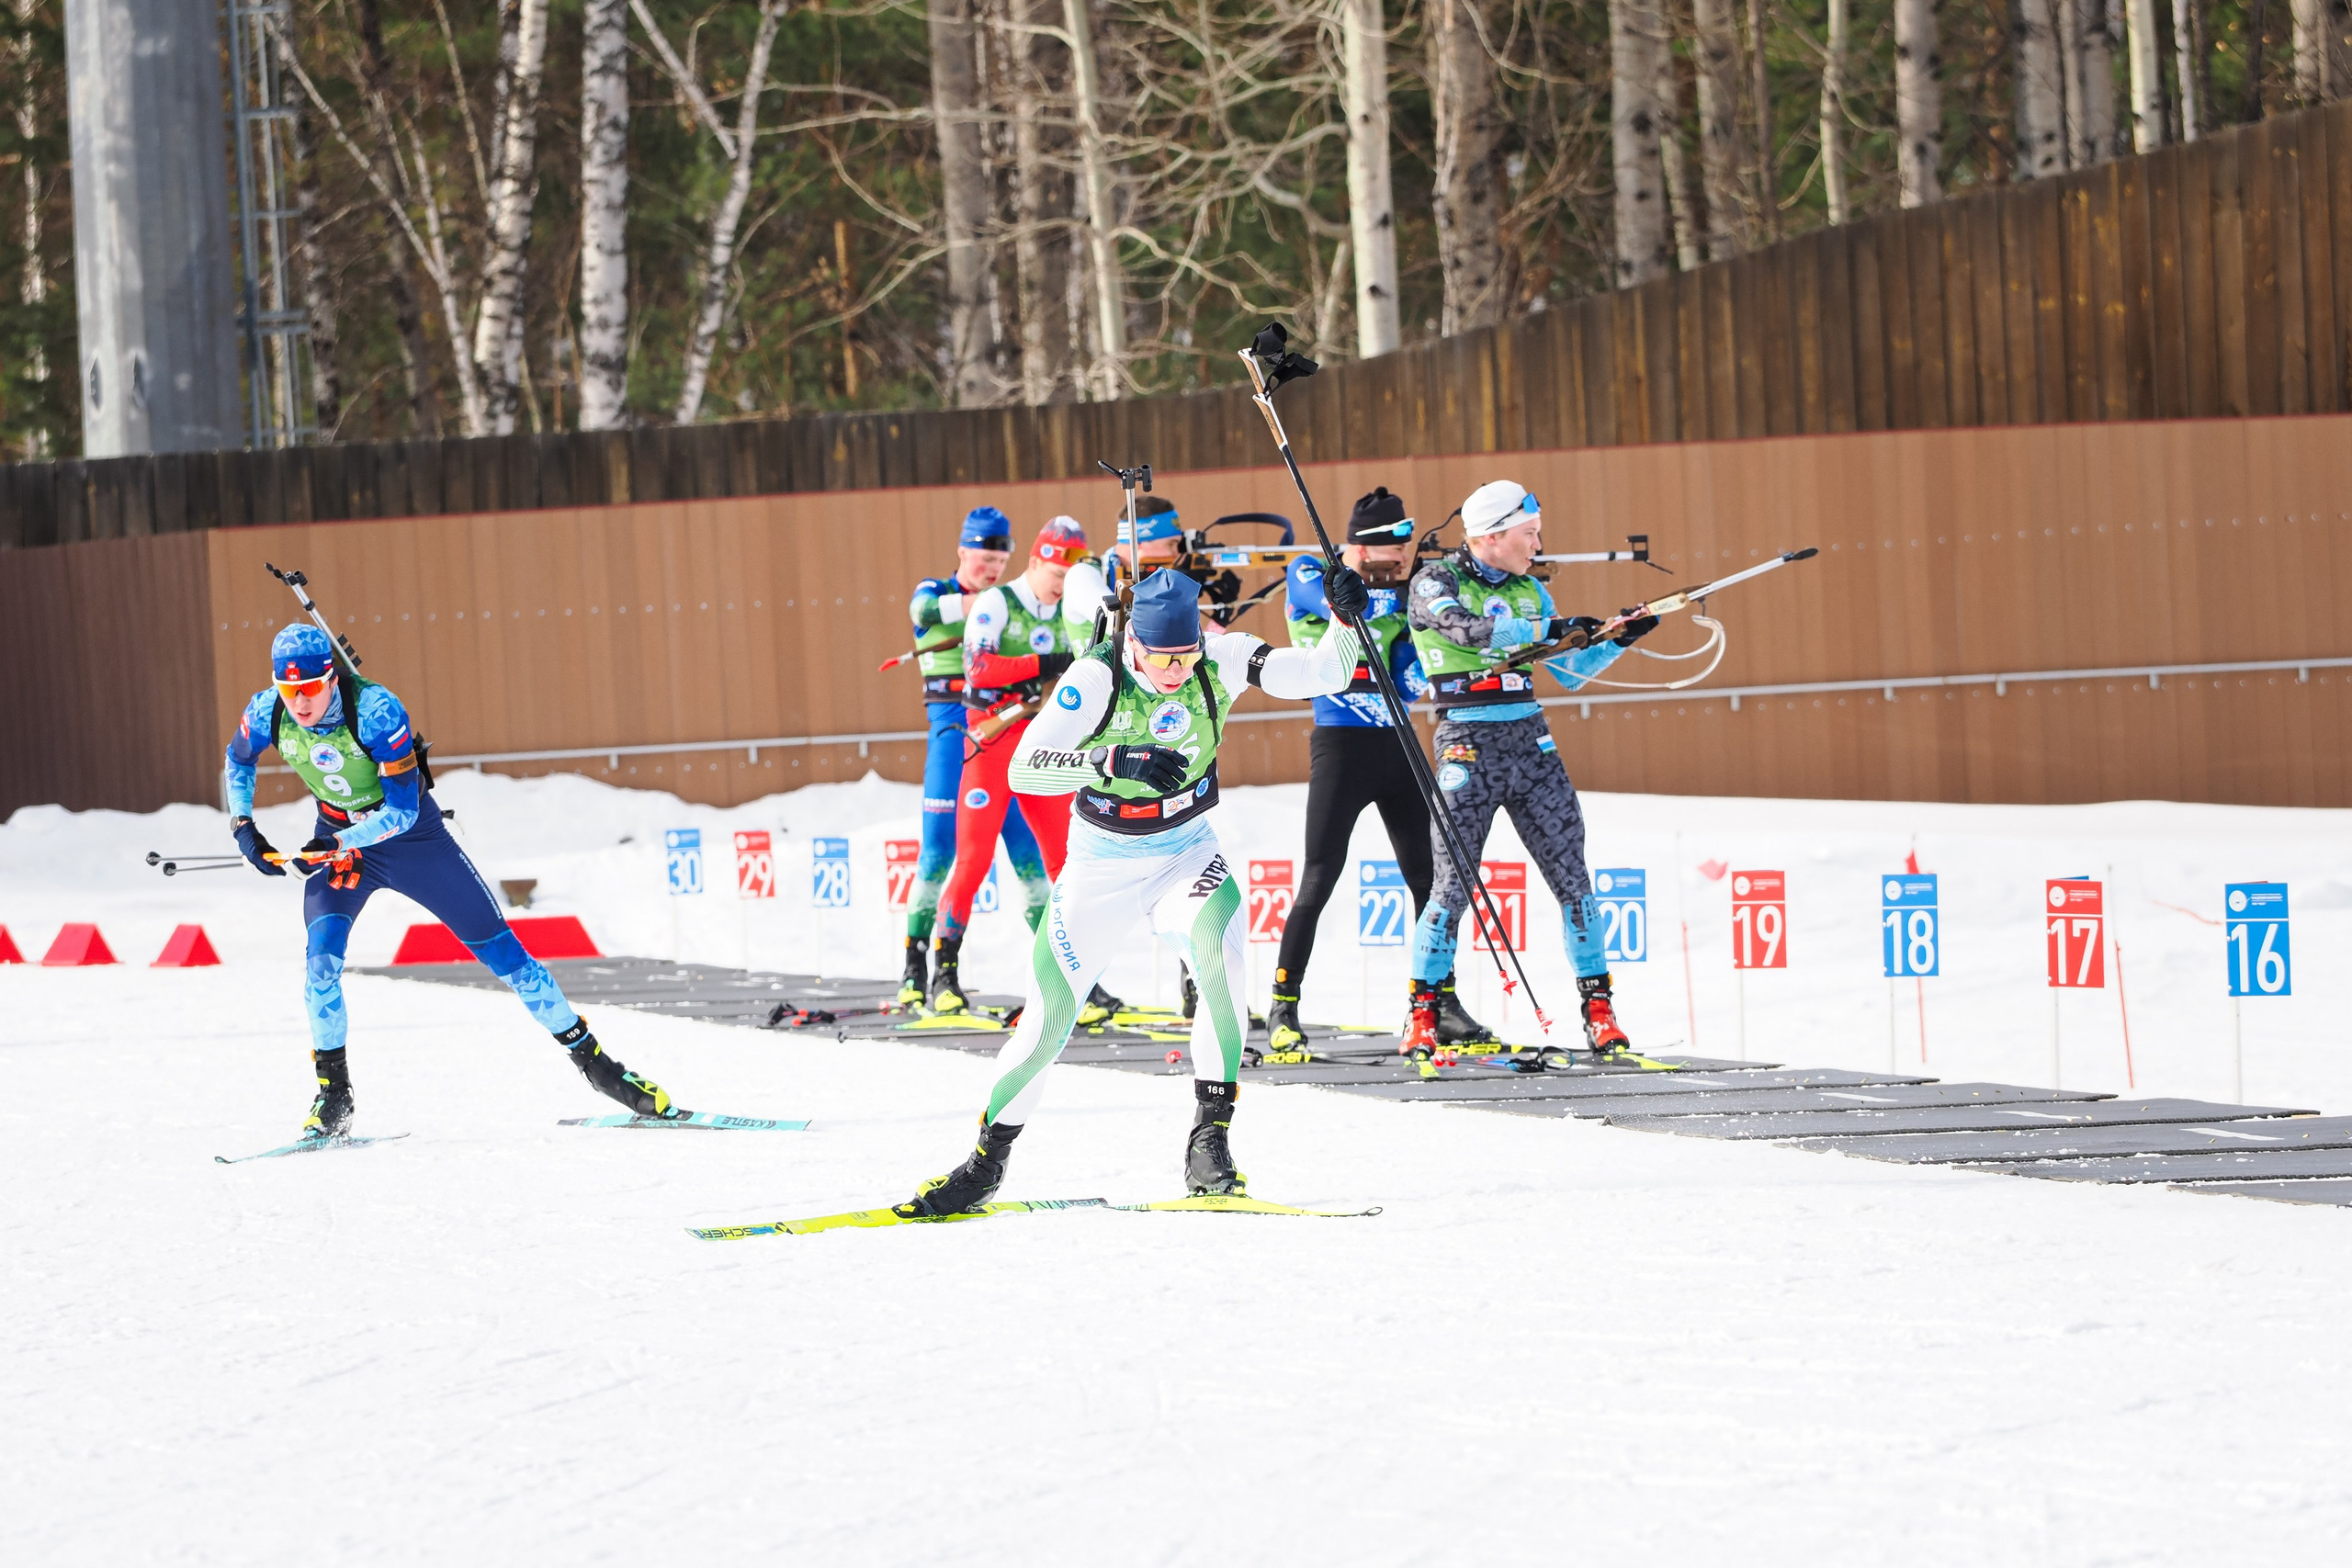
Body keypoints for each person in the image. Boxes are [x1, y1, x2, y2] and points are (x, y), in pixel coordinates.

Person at [897, 564, 1371, 1216]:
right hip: (1100, 862)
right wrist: (1110, 759)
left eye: (1186, 657)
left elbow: (1323, 674)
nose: (1175, 671)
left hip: (1184, 850)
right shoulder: (1096, 677)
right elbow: (1026, 767)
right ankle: (984, 1164)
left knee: (1222, 964)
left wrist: (1346, 621)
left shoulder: (1221, 655)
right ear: (1133, 643)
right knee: (1047, 1024)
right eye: (1161, 659)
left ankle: (1209, 1143)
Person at [225, 624, 669, 1138]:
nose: (299, 703)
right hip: (340, 841)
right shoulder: (267, 711)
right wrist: (244, 827)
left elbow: (402, 813)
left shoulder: (375, 711)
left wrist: (340, 844)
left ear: (331, 677)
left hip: (412, 842)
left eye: (310, 689)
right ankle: (334, 1095)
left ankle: (597, 1066)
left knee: (507, 956)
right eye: (289, 690)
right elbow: (238, 760)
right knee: (320, 962)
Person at [1401, 479, 1657, 1056]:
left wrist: (1619, 638)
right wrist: (1550, 631)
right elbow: (1463, 630)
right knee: (1451, 886)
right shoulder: (1436, 582)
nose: (1538, 544)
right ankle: (1421, 1014)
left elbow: (1568, 670)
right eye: (1529, 534)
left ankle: (1600, 1014)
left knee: (1573, 879)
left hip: (1531, 744)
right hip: (1467, 742)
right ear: (1492, 536)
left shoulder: (1530, 592)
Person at [1265, 486, 1432, 1051]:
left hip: (1399, 742)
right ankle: (1283, 1007)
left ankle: (1436, 1003)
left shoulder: (1407, 590)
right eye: (1394, 553)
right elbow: (1332, 600)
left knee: (1429, 882)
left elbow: (1411, 676)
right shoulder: (1315, 570)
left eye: (1409, 553)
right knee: (1320, 876)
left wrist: (1421, 632)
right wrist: (1391, 601)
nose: (1404, 563)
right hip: (1340, 743)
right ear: (1363, 549)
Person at [927, 515, 1088, 1013]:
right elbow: (979, 669)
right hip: (992, 745)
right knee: (972, 860)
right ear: (1037, 561)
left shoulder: (1070, 609)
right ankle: (942, 974)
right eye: (1057, 577)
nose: (1062, 589)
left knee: (1062, 862)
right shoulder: (998, 602)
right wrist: (1046, 664)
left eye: (1070, 581)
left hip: (1043, 748)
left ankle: (1073, 977)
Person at [899, 507, 1051, 1008]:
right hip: (953, 730)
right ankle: (916, 970)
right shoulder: (942, 591)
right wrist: (984, 606)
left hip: (1002, 728)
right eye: (983, 558)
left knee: (1030, 854)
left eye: (1000, 559)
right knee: (942, 851)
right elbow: (921, 612)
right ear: (962, 551)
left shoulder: (1008, 603)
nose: (993, 567)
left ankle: (1068, 978)